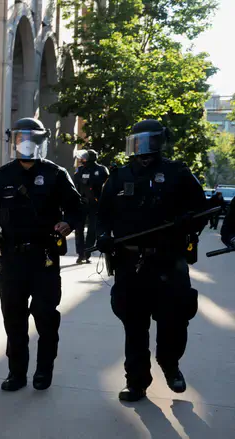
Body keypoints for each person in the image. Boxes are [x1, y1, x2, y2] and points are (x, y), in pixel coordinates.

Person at [96, 119, 207, 402]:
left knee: (174, 321)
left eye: (148, 142)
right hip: (130, 263)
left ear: (159, 142)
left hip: (169, 262)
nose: (142, 149)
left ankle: (170, 365)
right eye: (137, 142)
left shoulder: (177, 173)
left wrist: (189, 223)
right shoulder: (119, 177)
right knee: (134, 326)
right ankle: (136, 382)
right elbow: (102, 214)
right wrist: (102, 236)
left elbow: (202, 209)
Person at [0, 117, 82, 392]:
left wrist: (68, 223)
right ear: (13, 143)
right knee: (13, 319)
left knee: (46, 316)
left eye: (31, 140)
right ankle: (16, 373)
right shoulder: (2, 175)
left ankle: (44, 370)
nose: (25, 145)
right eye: (20, 140)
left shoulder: (56, 174)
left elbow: (76, 208)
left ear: (40, 142)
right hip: (11, 258)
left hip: (45, 257)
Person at [73, 149, 108, 263]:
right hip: (81, 203)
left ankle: (87, 252)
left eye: (85, 157)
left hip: (95, 204)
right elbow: (75, 185)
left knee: (92, 229)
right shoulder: (80, 170)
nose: (82, 159)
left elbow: (107, 185)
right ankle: (80, 253)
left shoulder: (101, 169)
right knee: (79, 229)